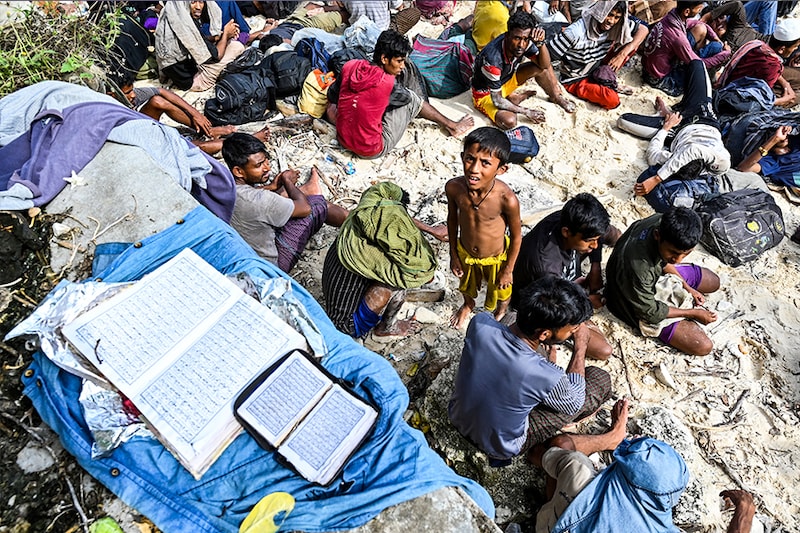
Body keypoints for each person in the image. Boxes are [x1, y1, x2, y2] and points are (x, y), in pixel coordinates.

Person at [448, 276, 613, 465]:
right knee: (600, 379)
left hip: (458, 415)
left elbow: (511, 338)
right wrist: (580, 347)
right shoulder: (549, 376)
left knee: (509, 319)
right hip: (500, 446)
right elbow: (574, 403)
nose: (574, 332)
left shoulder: (479, 323)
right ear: (544, 334)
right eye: (572, 329)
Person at [529, 400, 758, 533]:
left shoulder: (577, 472)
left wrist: (603, 442)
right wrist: (745, 512)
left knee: (562, 449)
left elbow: (540, 452)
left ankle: (611, 439)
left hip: (561, 523)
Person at [321, 182, 449, 338]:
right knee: (400, 278)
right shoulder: (373, 255)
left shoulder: (358, 225)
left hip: (333, 295)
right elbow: (426, 277)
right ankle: (387, 327)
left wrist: (430, 229)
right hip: (345, 325)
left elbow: (389, 213)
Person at [325, 29, 473, 159]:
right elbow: (408, 100)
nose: (402, 66)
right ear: (384, 59)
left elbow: (332, 95)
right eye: (399, 61)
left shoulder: (351, 66)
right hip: (371, 149)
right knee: (413, 99)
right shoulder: (387, 84)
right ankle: (452, 125)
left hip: (343, 138)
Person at [222, 133, 348, 273]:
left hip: (242, 255)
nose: (267, 168)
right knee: (317, 204)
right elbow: (305, 209)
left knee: (277, 200)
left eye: (266, 161)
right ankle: (356, 219)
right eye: (259, 165)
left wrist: (271, 187)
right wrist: (287, 181)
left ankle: (302, 191)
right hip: (269, 268)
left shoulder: (222, 186)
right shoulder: (260, 200)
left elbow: (250, 195)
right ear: (238, 171)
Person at [513, 193, 617, 360]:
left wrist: (595, 266)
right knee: (603, 350)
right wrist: (588, 301)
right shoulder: (545, 265)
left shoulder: (570, 219)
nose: (595, 245)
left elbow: (602, 235)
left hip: (564, 281)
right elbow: (554, 306)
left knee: (614, 235)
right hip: (546, 303)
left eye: (597, 240)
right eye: (590, 241)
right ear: (566, 232)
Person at [605, 207, 720, 356]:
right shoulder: (639, 269)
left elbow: (665, 262)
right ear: (657, 235)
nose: (678, 260)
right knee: (703, 346)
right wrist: (692, 313)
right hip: (630, 300)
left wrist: (688, 288)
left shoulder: (663, 221)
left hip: (652, 273)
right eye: (674, 253)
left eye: (685, 254)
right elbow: (650, 313)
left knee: (713, 281)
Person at [446, 127, 522, 329]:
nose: (474, 169)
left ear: (501, 169)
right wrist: (454, 254)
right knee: (466, 285)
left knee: (502, 290)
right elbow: (452, 221)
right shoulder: (454, 188)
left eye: (485, 163)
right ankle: (468, 304)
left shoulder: (507, 199)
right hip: (466, 252)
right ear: (462, 157)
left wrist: (509, 270)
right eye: (470, 159)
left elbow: (516, 237)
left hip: (497, 257)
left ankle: (501, 311)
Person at [471, 10, 575, 130]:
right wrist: (526, 111)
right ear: (507, 35)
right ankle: (512, 99)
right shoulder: (492, 60)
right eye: (517, 38)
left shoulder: (524, 42)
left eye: (525, 39)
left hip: (505, 81)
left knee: (539, 67)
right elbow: (498, 100)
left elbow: (545, 65)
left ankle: (555, 97)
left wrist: (541, 43)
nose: (521, 44)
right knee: (509, 121)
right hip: (486, 95)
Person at [547, 1, 648, 110]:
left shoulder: (616, 25)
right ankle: (608, 84)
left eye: (616, 17)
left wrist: (622, 55)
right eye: (609, 15)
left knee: (632, 44)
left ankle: (606, 80)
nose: (611, 21)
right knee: (612, 100)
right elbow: (545, 60)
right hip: (576, 78)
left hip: (597, 65)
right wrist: (553, 84)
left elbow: (643, 29)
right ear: (600, 12)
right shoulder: (574, 33)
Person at [641, 1, 731, 96]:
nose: (700, 11)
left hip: (648, 68)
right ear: (687, 12)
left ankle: (688, 58)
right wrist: (724, 54)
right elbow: (699, 64)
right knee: (715, 47)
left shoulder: (671, 16)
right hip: (660, 79)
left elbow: (697, 23)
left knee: (701, 28)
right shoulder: (678, 37)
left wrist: (715, 38)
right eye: (698, 9)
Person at [155, 0, 245, 91]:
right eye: (193, 2)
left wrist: (218, 37)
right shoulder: (185, 21)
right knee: (236, 46)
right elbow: (217, 56)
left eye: (201, 2)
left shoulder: (174, 14)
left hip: (179, 74)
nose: (198, 7)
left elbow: (197, 40)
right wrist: (226, 34)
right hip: (193, 81)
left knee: (223, 42)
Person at [716, 18, 800, 108]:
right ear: (782, 49)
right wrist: (783, 100)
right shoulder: (772, 66)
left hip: (732, 82)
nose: (795, 49)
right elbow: (758, 98)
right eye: (795, 46)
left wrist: (785, 84)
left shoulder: (756, 44)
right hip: (735, 96)